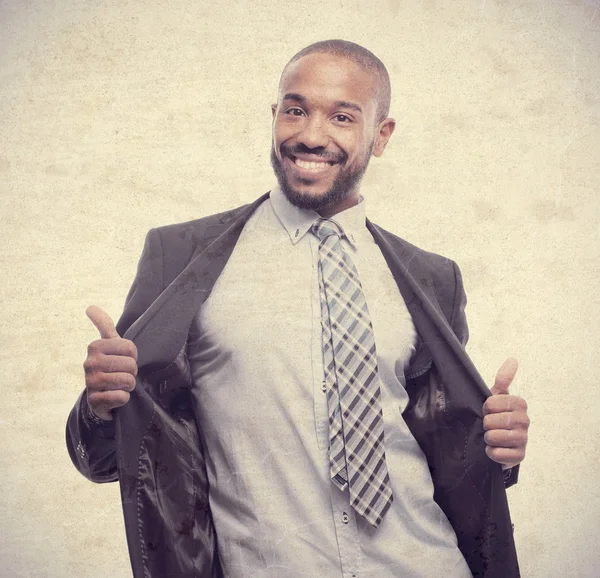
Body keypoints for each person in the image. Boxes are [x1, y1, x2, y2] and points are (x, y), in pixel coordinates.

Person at [66, 39, 529, 578]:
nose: (311, 134)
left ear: (380, 136)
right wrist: (102, 405)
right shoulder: (182, 258)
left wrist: (500, 445)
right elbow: (108, 459)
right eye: (295, 109)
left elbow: (451, 452)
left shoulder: (432, 278)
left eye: (341, 116)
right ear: (274, 116)